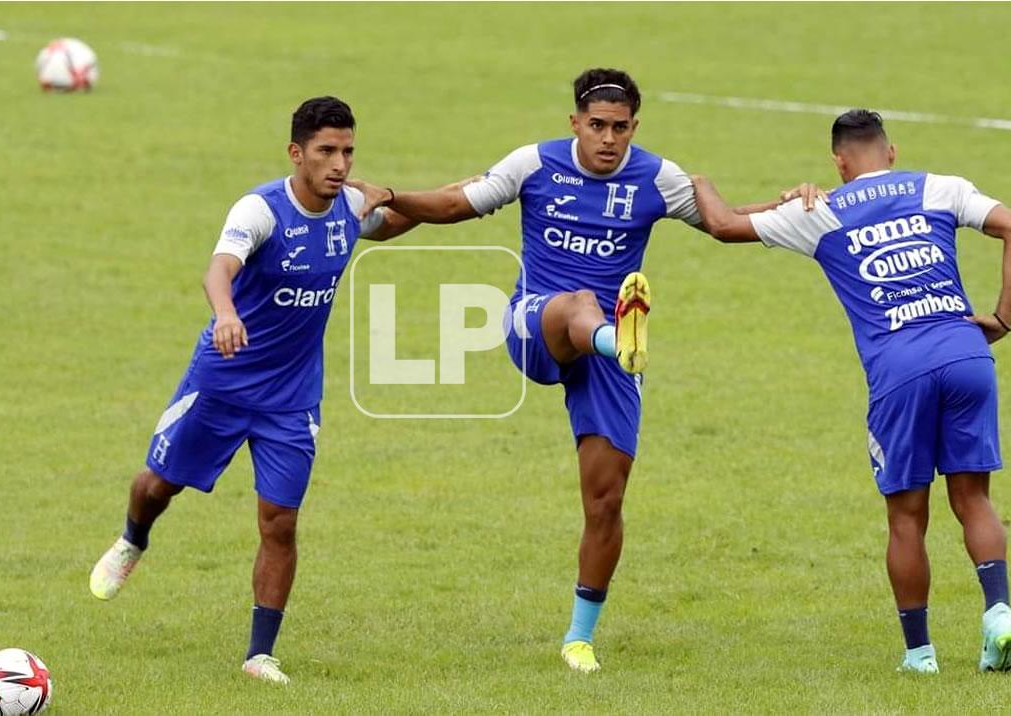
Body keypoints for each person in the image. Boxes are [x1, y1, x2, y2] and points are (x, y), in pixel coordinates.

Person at [348, 68, 815, 673]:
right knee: (579, 304)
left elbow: (726, 222)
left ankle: (578, 638)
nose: (608, 138)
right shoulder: (534, 165)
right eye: (597, 125)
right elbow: (454, 203)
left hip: (615, 352)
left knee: (606, 499)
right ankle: (613, 337)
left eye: (620, 128)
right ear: (575, 123)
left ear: (634, 128)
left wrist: (790, 206)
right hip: (537, 324)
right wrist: (389, 195)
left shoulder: (658, 176)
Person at [88, 96, 420, 684]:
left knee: (280, 522)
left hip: (292, 399)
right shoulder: (260, 209)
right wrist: (224, 314)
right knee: (158, 484)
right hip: (223, 381)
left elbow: (390, 223)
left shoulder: (349, 208)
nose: (339, 164)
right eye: (326, 152)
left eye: (347, 152)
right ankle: (132, 539)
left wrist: (397, 196)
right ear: (297, 154)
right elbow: (219, 268)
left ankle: (259, 654)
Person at [690, 109, 1011, 674]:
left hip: (899, 370)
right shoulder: (938, 187)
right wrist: (1001, 318)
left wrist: (701, 182)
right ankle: (998, 612)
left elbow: (723, 224)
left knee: (906, 516)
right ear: (891, 151)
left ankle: (920, 655)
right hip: (967, 350)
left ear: (839, 161)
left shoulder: (820, 210)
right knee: (974, 498)